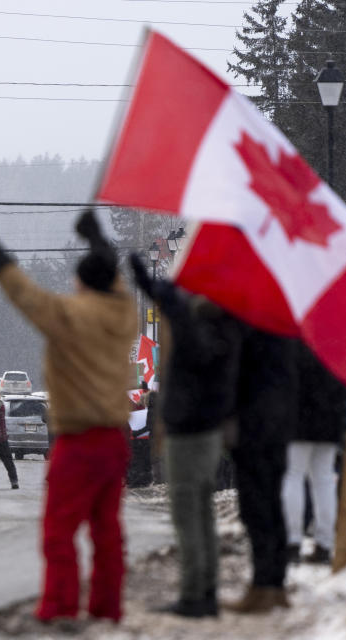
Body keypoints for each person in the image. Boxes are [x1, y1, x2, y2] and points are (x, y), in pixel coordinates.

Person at [0, 208, 137, 624]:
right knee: (107, 530)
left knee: (59, 531)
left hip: (77, 441)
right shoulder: (124, 313)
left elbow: (26, 295)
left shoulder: (69, 317)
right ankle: (106, 606)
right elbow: (109, 283)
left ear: (81, 283)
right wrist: (99, 243)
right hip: (114, 440)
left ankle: (60, 605)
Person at [131, 256, 244, 618]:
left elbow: (174, 306)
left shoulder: (196, 328)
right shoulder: (228, 327)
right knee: (202, 514)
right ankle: (205, 587)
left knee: (187, 514)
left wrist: (146, 279)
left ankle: (196, 593)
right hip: (209, 430)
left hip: (188, 432)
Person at [225, 328, 299, 613]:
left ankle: (263, 585)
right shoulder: (286, 332)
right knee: (271, 506)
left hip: (255, 429)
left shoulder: (253, 332)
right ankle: (273, 584)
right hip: (278, 427)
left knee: (258, 510)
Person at [282, 348, 346, 565]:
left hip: (297, 418)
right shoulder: (338, 344)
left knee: (293, 475)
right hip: (330, 418)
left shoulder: (295, 339)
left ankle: (292, 541)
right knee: (324, 479)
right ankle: (325, 544)